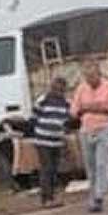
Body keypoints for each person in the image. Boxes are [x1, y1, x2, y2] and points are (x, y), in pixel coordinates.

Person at [70, 60, 108, 213]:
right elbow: (74, 111)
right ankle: (93, 197)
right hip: (87, 129)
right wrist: (87, 109)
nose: (90, 80)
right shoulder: (81, 89)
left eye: (92, 76)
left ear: (99, 75)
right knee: (90, 166)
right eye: (87, 77)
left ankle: (99, 194)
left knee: (101, 163)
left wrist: (97, 108)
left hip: (105, 129)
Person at [31, 77, 70, 207]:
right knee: (46, 168)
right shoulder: (43, 100)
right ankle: (46, 198)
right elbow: (34, 117)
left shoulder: (66, 103)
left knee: (54, 169)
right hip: (43, 140)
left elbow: (67, 121)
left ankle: (52, 196)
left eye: (61, 89)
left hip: (57, 141)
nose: (58, 91)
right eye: (56, 88)